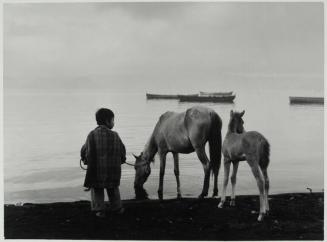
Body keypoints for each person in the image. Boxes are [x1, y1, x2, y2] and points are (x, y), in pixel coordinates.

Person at [83, 108, 126, 218]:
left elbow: (86, 152)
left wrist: (85, 159)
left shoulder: (91, 135)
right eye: (113, 120)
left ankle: (99, 210)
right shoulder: (115, 135)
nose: (113, 122)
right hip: (113, 171)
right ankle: (117, 208)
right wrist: (122, 159)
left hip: (97, 172)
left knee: (97, 189)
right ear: (107, 121)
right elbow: (122, 152)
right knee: (113, 189)